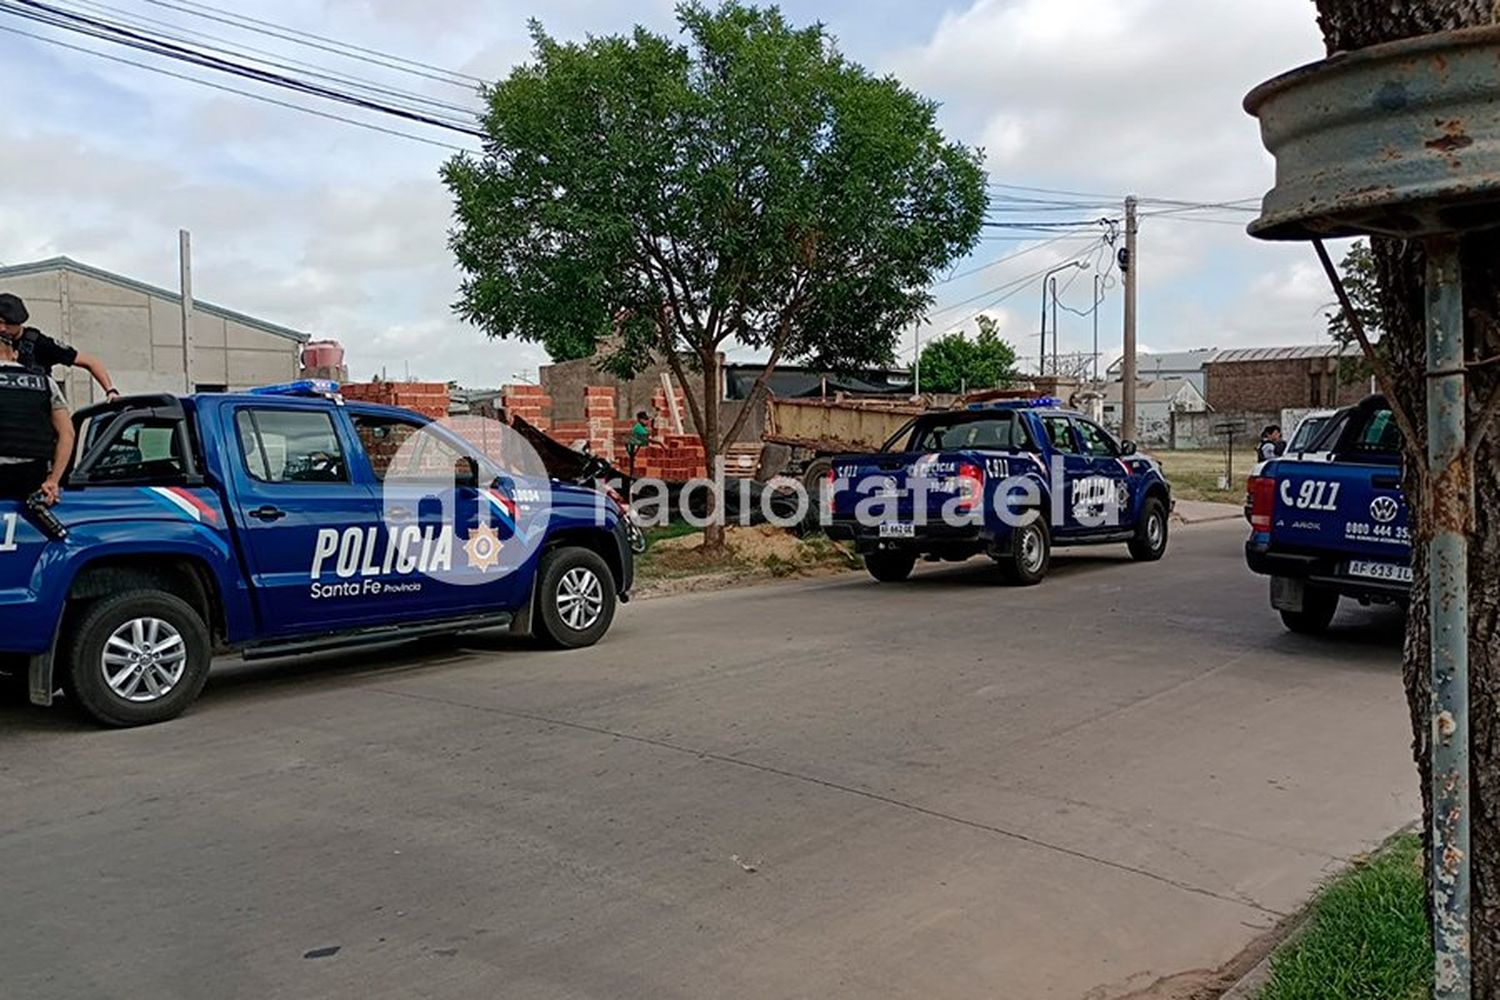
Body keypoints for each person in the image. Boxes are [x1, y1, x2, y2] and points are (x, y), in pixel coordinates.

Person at [0, 326, 74, 504]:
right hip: (33, 477)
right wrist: (53, 481)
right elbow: (67, 433)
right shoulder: (46, 383)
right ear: (15, 354)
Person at [0, 293, 119, 400]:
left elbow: (91, 362)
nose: (2, 329)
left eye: (9, 324)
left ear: (19, 321)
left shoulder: (40, 343)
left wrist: (110, 391)